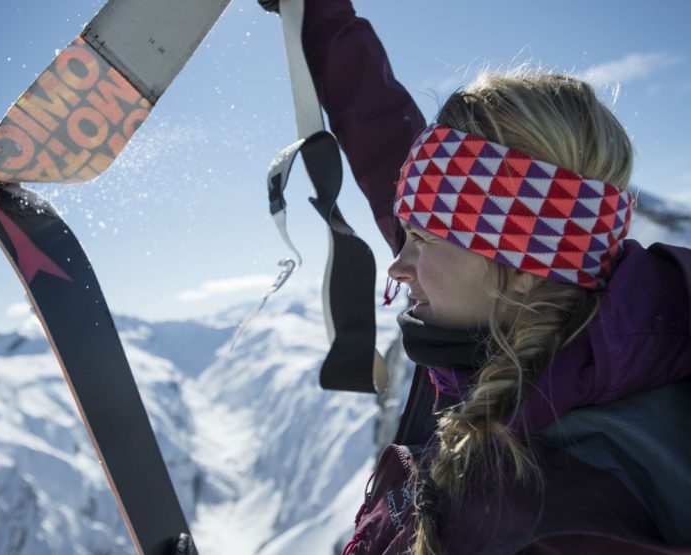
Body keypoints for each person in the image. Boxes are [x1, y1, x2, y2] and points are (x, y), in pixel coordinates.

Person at [260, 1, 691, 553]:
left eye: (422, 239)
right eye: (407, 231)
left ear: (518, 267)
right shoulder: (496, 304)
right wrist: (321, 12)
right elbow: (381, 133)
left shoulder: (555, 521)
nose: (398, 263)